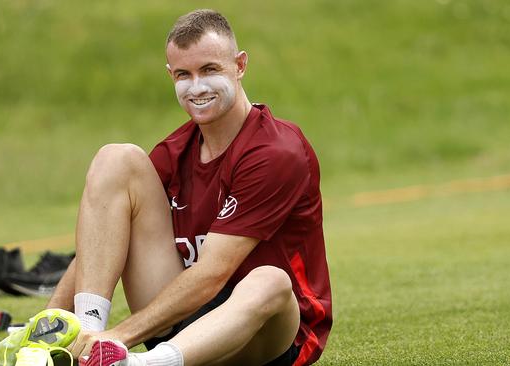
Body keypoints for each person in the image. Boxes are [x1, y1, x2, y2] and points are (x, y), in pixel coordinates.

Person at [47, 9, 332, 366]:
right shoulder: (175, 151)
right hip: (184, 329)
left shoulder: (276, 151)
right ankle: (87, 336)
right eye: (184, 74)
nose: (197, 87)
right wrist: (51, 321)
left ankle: (129, 361)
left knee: (270, 280)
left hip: (269, 336)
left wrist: (119, 337)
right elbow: (103, 237)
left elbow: (213, 274)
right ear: (171, 76)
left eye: (210, 70)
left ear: (240, 65)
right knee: (116, 159)